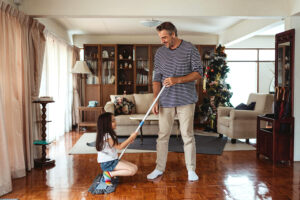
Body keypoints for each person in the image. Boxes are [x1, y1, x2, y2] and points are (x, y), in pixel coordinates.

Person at [147, 22, 203, 181]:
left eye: (164, 37)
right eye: (160, 37)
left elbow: (199, 72)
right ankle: (159, 168)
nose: (162, 40)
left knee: (187, 135)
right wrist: (155, 99)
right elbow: (156, 78)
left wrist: (177, 80)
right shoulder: (159, 53)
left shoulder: (190, 49)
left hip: (186, 99)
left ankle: (191, 169)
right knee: (163, 135)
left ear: (173, 34)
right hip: (165, 100)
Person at [96, 112, 138, 186]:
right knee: (132, 171)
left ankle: (111, 173)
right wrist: (130, 137)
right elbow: (120, 147)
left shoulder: (108, 134)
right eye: (112, 121)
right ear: (106, 124)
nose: (115, 122)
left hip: (112, 160)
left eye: (114, 120)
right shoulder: (107, 136)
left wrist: (128, 141)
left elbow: (117, 145)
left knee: (135, 167)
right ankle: (109, 174)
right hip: (108, 163)